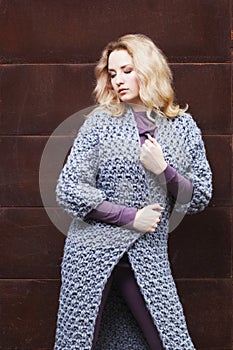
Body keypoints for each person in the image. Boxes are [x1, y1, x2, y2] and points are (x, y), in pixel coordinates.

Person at [54, 34, 212, 350]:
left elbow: (199, 195)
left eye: (127, 70)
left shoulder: (182, 126)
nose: (118, 81)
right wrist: (131, 217)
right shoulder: (100, 123)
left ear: (148, 69)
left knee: (168, 341)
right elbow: (68, 188)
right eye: (112, 74)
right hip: (91, 251)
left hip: (147, 253)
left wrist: (163, 169)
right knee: (80, 342)